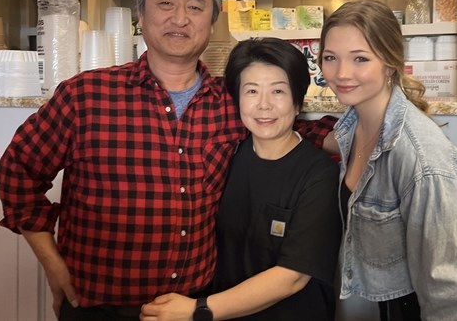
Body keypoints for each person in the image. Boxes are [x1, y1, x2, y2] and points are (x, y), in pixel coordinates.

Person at [0, 0, 335, 321]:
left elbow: (290, 128)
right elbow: (18, 171)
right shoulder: (85, 96)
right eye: (166, 3)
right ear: (141, 14)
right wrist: (53, 264)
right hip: (99, 308)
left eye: (195, 7)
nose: (179, 18)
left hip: (192, 307)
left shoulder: (231, 101)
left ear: (212, 21)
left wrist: (364, 130)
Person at [318, 0, 457, 321]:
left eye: (360, 58)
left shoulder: (422, 159)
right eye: (330, 58)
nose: (341, 73)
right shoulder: (351, 128)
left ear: (390, 62)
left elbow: (448, 295)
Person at [140, 37, 342, 321]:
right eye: (251, 91)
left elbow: (293, 277)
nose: (264, 105)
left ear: (298, 101)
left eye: (278, 91)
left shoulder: (319, 173)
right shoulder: (227, 155)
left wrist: (198, 309)